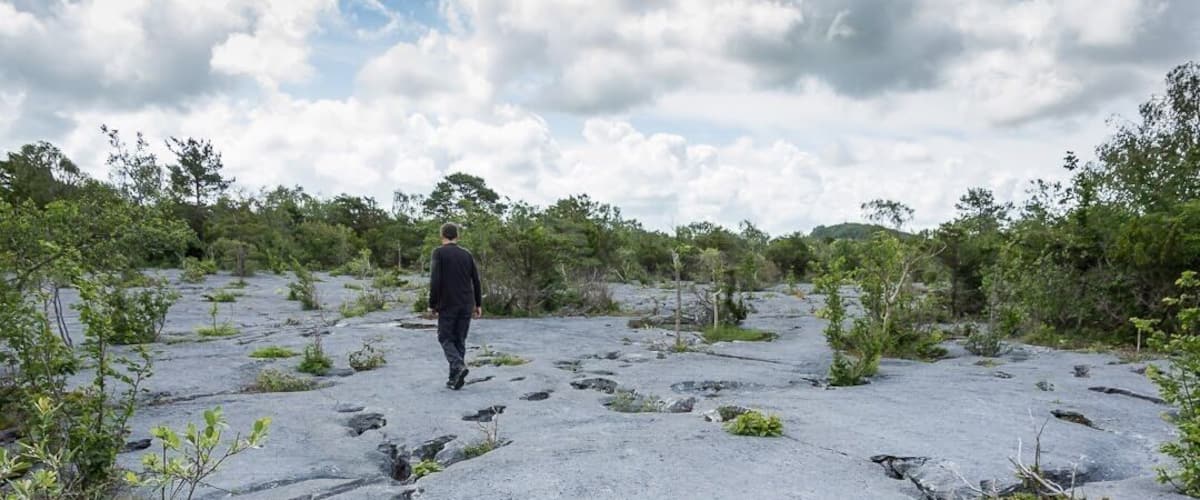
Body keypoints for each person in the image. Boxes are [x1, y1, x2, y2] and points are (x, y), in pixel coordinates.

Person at [428, 222, 482, 390]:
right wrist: (478, 303)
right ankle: (455, 379)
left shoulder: (438, 253)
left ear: (442, 235)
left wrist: (432, 304)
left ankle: (458, 366)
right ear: (457, 236)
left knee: (445, 337)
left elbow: (435, 280)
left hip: (448, 303)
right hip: (466, 303)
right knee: (459, 340)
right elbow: (476, 280)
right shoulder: (466, 254)